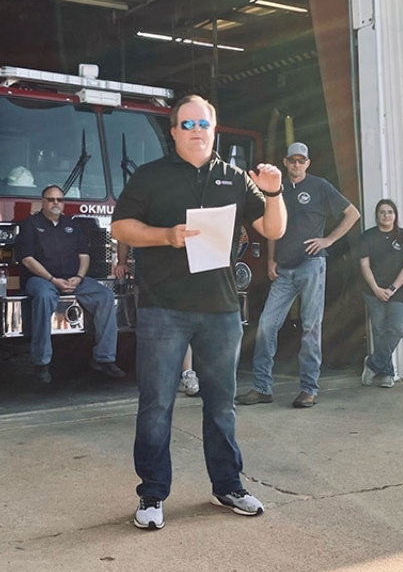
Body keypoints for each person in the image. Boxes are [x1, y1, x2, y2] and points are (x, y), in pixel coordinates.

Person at [111, 94, 287, 531]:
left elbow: (273, 228)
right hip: (163, 309)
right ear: (173, 132)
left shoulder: (234, 178)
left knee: (222, 406)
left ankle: (227, 486)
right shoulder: (150, 177)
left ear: (215, 129)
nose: (195, 131)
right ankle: (152, 495)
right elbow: (120, 227)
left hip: (221, 310)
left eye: (202, 124)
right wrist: (166, 235)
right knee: (156, 405)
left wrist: (274, 191)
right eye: (186, 124)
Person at [236, 142, 360, 409]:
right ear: (285, 162)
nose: (296, 164)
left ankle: (308, 389)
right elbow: (273, 228)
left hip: (311, 265)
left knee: (310, 327)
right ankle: (261, 387)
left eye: (301, 160)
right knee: (267, 325)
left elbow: (353, 214)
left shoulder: (320, 186)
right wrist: (270, 259)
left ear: (308, 163)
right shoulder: (275, 189)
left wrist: (328, 240)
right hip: (283, 269)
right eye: (292, 160)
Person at [16, 185, 125, 384]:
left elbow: (84, 255)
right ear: (43, 202)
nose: (56, 203)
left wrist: (79, 277)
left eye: (59, 200)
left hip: (74, 279)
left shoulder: (71, 225)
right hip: (42, 280)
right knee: (44, 297)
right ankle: (42, 362)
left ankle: (104, 358)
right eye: (51, 199)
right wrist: (51, 279)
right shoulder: (30, 225)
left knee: (105, 297)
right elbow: (27, 260)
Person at [116, 242, 199, 396]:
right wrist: (122, 262)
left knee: (180, 326)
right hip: (146, 280)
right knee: (149, 330)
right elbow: (124, 235)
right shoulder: (141, 219)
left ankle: (187, 373)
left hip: (177, 278)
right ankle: (157, 378)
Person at [357, 199, 403, 388]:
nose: (386, 215)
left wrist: (391, 289)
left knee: (396, 329)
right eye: (382, 212)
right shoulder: (367, 236)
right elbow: (364, 265)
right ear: (377, 215)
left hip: (396, 291)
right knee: (380, 331)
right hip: (373, 291)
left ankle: (372, 364)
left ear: (395, 215)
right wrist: (376, 289)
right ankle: (387, 374)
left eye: (390, 212)